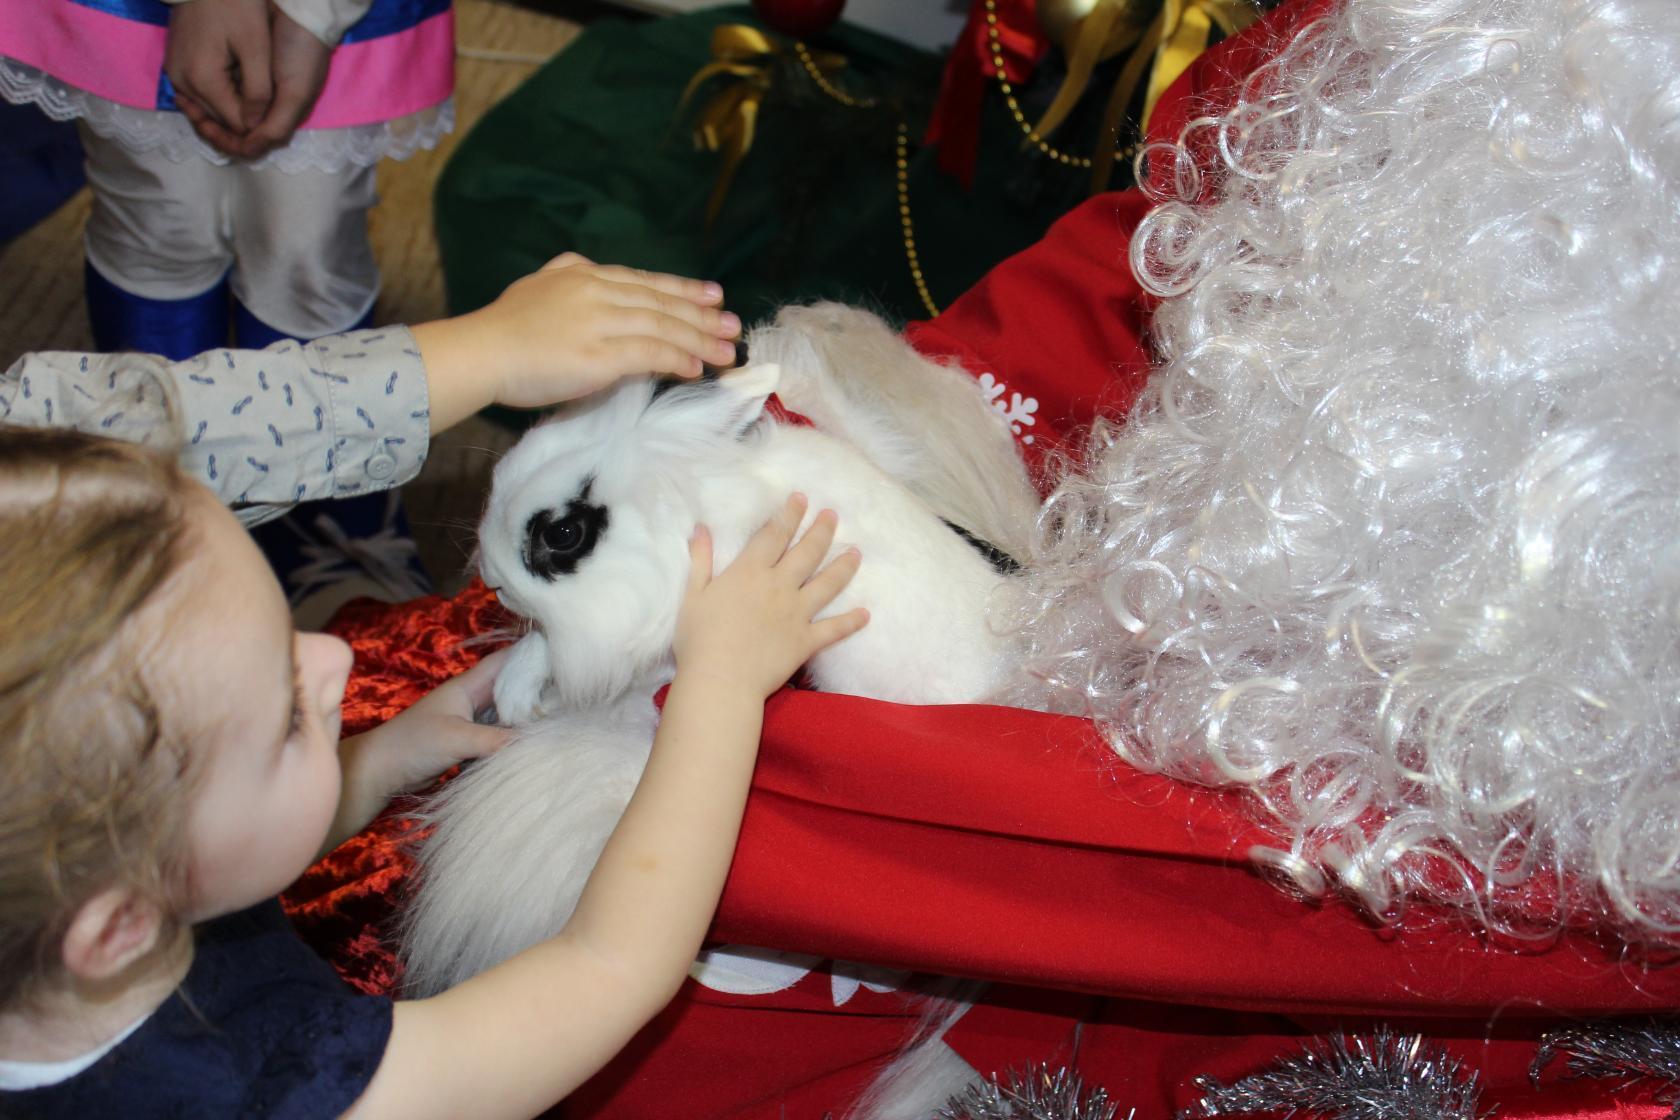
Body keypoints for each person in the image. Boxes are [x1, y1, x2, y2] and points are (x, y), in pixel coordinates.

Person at [0, 280, 868, 1114]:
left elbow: (213, 844)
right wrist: (719, 682)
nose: (335, 657)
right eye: (286, 710)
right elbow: (608, 965)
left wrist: (370, 762)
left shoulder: (73, 905)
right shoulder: (281, 1085)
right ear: (117, 931)